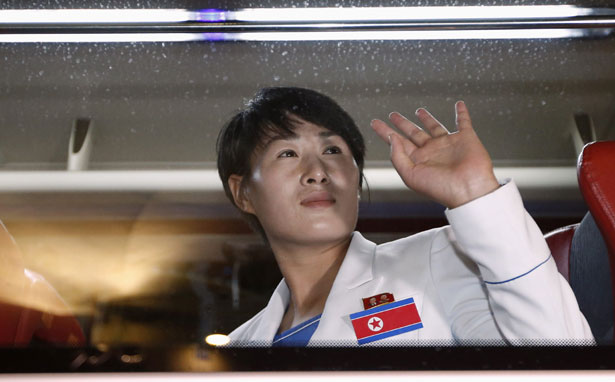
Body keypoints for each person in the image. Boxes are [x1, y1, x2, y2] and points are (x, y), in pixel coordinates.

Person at [216, 87, 593, 346]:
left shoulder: (437, 259)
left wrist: (475, 193)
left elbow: (560, 360)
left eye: (332, 151)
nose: (317, 172)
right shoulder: (236, 349)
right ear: (243, 192)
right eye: (287, 154)